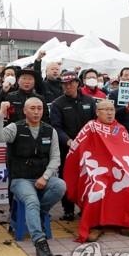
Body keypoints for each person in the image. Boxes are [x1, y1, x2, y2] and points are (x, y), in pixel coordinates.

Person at [64, 100, 129, 242]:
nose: (110, 113)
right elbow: (76, 149)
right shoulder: (90, 127)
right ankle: (95, 225)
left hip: (120, 169)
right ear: (97, 112)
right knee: (97, 190)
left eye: (112, 110)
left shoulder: (120, 128)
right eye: (105, 110)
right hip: (97, 170)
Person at [0, 97, 65, 256]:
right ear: (25, 110)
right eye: (32, 108)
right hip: (20, 179)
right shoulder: (15, 128)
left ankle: (40, 213)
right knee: (31, 200)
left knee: (60, 186)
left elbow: (55, 159)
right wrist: (1, 115)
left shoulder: (49, 130)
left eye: (39, 108)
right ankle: (40, 242)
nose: (36, 111)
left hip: (42, 177)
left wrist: (45, 177)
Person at [50, 71, 96, 221]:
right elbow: (55, 127)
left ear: (77, 83)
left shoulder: (90, 101)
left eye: (71, 83)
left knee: (88, 178)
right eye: (64, 84)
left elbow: (95, 123)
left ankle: (85, 207)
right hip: (67, 149)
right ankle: (68, 209)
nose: (68, 86)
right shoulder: (58, 104)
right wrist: (68, 141)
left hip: (88, 149)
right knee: (67, 178)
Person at [108, 67, 129, 134]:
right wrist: (125, 108)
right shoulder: (113, 94)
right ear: (120, 78)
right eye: (125, 75)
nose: (128, 78)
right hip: (119, 130)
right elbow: (110, 112)